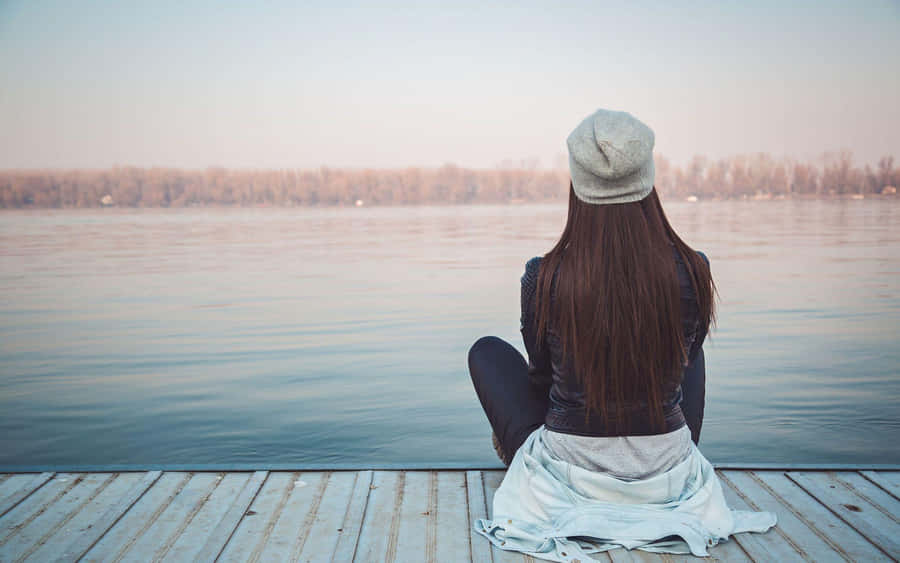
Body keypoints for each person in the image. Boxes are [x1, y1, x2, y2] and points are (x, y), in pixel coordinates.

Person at [467, 109, 776, 561]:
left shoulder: (544, 277)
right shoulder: (694, 268)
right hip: (666, 470)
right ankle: (657, 458)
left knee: (487, 353)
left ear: (576, 183)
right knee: (688, 355)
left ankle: (534, 465)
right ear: (648, 178)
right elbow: (687, 360)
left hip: (570, 475)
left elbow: (540, 380)